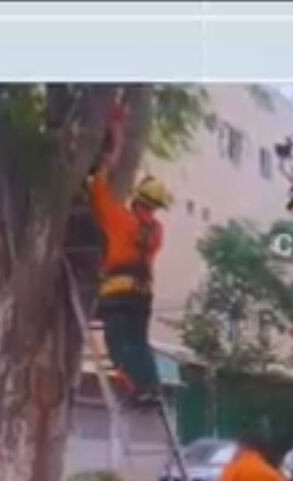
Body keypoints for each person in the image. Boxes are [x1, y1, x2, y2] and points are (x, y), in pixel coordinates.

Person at [88, 104, 174, 407]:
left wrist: (111, 151)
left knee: (118, 345)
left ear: (137, 197)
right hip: (142, 295)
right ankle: (150, 389)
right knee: (139, 343)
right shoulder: (156, 231)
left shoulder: (121, 220)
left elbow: (97, 188)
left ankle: (137, 389)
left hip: (117, 293)